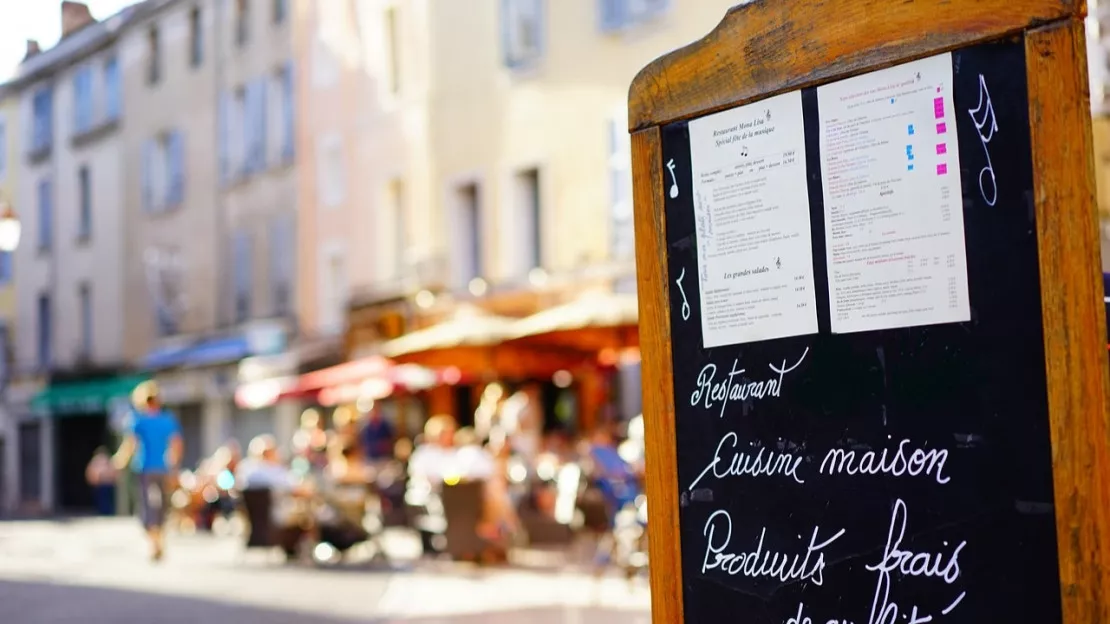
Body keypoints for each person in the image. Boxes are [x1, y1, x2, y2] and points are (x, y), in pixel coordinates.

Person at [112, 380, 183, 562]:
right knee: (162, 507)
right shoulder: (167, 419)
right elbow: (176, 445)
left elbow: (130, 445)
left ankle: (155, 543)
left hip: (144, 467)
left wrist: (119, 462)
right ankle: (159, 542)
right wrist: (174, 467)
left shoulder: (137, 419)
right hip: (162, 468)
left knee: (146, 506)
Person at [85, 447, 117, 516]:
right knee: (103, 499)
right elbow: (91, 472)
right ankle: (104, 512)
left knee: (106, 499)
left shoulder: (105, 460)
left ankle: (106, 512)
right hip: (101, 483)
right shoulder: (97, 461)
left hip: (106, 483)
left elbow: (113, 471)